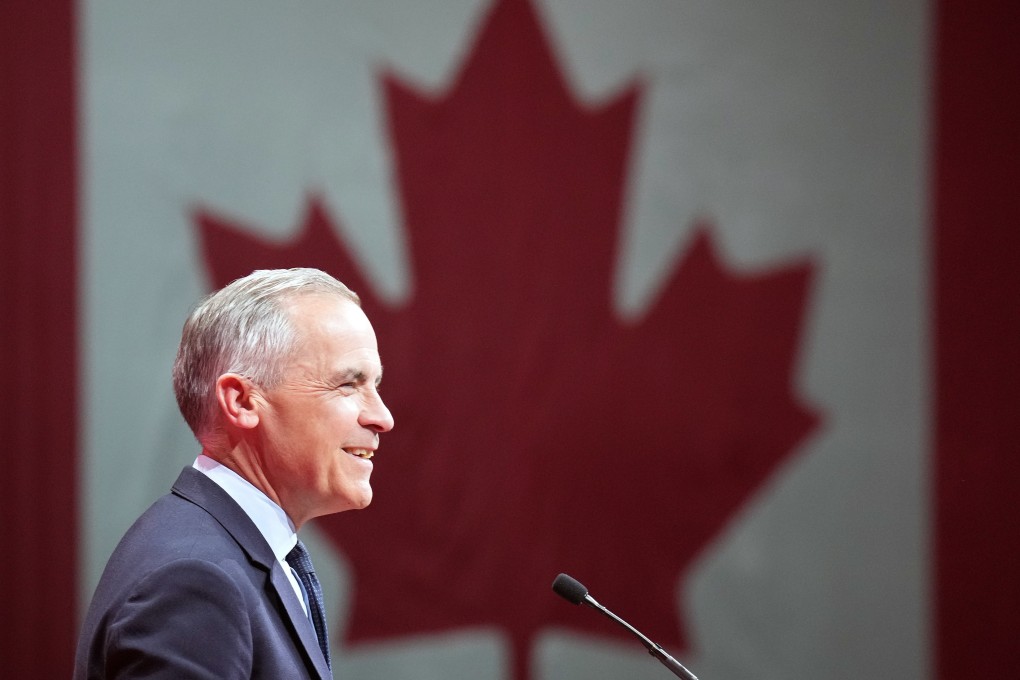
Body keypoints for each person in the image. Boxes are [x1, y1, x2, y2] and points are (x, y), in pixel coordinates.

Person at [74, 268, 395, 679]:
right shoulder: (194, 580)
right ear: (242, 401)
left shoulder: (228, 555)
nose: (381, 417)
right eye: (348, 385)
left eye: (376, 384)